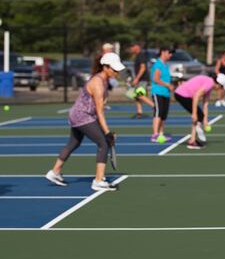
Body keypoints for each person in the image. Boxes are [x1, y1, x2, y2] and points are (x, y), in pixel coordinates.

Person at [46, 52, 125, 192]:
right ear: (105, 67)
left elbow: (99, 109)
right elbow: (100, 111)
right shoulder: (98, 83)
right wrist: (107, 132)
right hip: (82, 116)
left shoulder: (104, 80)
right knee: (103, 143)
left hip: (78, 114)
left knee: (73, 143)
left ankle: (54, 172)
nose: (117, 72)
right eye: (114, 69)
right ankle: (98, 181)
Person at [174, 73, 225, 149]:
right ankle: (193, 139)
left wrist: (205, 121)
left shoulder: (209, 85)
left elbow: (205, 104)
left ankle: (192, 140)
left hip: (182, 95)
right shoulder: (209, 83)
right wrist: (194, 113)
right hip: (182, 95)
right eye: (222, 87)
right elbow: (196, 96)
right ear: (218, 83)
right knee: (198, 116)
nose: (220, 89)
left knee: (200, 116)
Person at [150, 46, 173, 143]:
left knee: (163, 115)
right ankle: (155, 135)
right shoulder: (158, 64)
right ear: (163, 52)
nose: (170, 55)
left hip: (165, 93)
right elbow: (156, 79)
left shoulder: (165, 65)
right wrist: (167, 85)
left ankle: (161, 134)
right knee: (158, 113)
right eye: (169, 52)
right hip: (158, 92)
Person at [128, 43, 154, 118]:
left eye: (132, 47)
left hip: (143, 79)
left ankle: (154, 106)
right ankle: (139, 112)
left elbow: (143, 68)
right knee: (133, 94)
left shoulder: (141, 55)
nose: (131, 49)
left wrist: (136, 79)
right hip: (139, 79)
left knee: (139, 95)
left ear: (137, 47)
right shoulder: (137, 56)